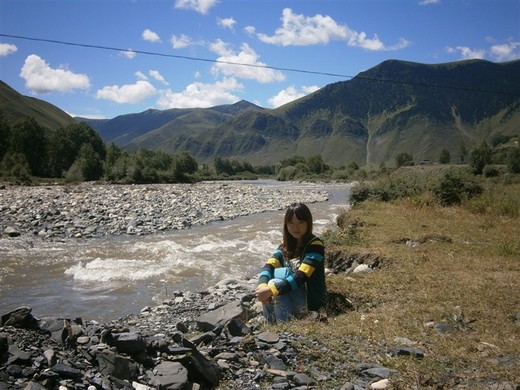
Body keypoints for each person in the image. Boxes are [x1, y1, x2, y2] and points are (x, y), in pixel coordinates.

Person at [255, 203, 327, 323]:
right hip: (292, 296)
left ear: (308, 223)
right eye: (291, 223)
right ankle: (271, 324)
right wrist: (262, 286)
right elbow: (269, 265)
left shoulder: (315, 245)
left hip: (310, 302)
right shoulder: (285, 245)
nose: (295, 228)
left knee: (274, 283)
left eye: (300, 223)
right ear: (286, 224)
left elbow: (302, 276)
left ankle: (283, 326)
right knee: (268, 284)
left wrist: (271, 290)